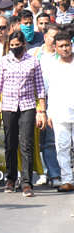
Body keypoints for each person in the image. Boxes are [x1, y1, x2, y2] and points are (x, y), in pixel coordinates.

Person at [0, 31, 47, 197]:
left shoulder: (33, 61)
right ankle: (11, 178)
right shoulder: (3, 62)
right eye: (12, 45)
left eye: (17, 45)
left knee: (26, 143)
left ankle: (27, 182)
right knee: (10, 143)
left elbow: (40, 88)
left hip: (28, 106)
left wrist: (42, 111)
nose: (15, 48)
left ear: (24, 44)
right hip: (8, 107)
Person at [29, 23, 62, 188]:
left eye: (58, 37)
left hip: (55, 102)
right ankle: (37, 174)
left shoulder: (63, 56)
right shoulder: (34, 54)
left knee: (50, 140)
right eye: (52, 37)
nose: (54, 40)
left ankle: (54, 174)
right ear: (45, 37)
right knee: (33, 140)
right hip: (34, 102)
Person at [43, 31, 74, 192]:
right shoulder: (51, 67)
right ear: (55, 48)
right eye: (61, 46)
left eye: (67, 45)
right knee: (62, 147)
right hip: (59, 113)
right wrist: (48, 113)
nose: (65, 49)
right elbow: (47, 92)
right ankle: (67, 180)